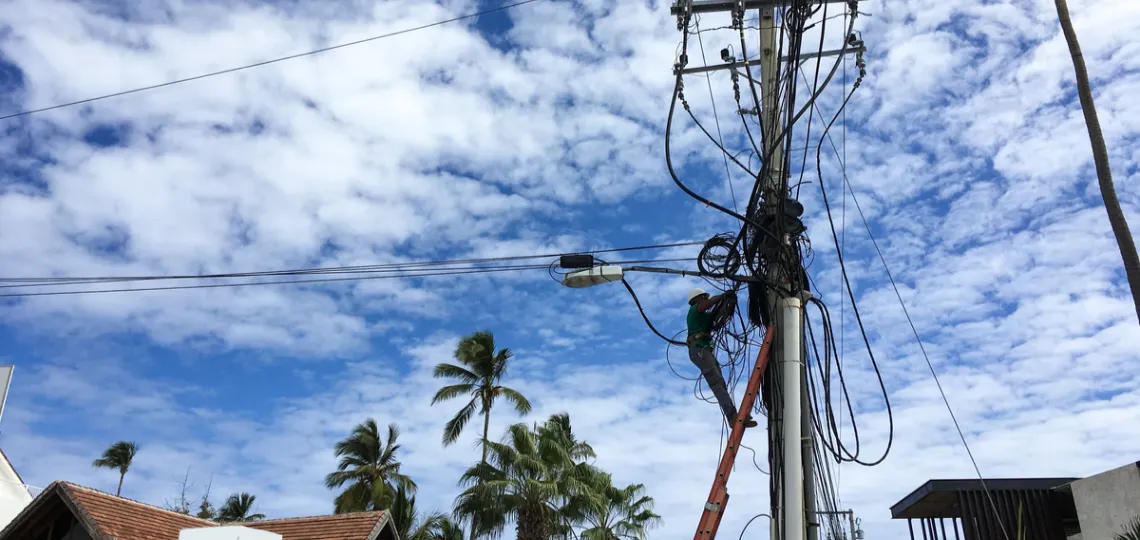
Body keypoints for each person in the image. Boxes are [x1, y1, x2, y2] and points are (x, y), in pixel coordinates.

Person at [687, 288, 758, 428]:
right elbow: (706, 305)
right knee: (716, 382)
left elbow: (717, 321)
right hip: (698, 349)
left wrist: (727, 306)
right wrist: (721, 297)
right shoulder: (694, 310)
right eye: (703, 297)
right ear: (696, 300)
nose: (705, 300)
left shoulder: (704, 317)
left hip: (704, 349)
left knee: (720, 382)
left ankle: (734, 415)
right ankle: (732, 416)